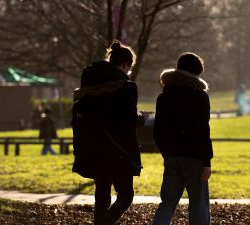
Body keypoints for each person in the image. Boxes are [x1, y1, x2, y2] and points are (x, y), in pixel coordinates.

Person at [72, 40, 143, 225]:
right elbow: (128, 120)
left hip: (92, 147)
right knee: (126, 195)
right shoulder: (125, 87)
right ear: (126, 64)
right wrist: (141, 118)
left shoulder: (87, 84)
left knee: (102, 195)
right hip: (117, 149)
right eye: (129, 67)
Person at [152, 52, 213, 225]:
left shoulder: (164, 97)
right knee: (198, 204)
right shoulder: (200, 97)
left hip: (172, 156)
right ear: (196, 73)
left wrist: (167, 152)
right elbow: (202, 130)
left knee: (167, 204)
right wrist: (207, 161)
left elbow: (158, 131)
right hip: (194, 158)